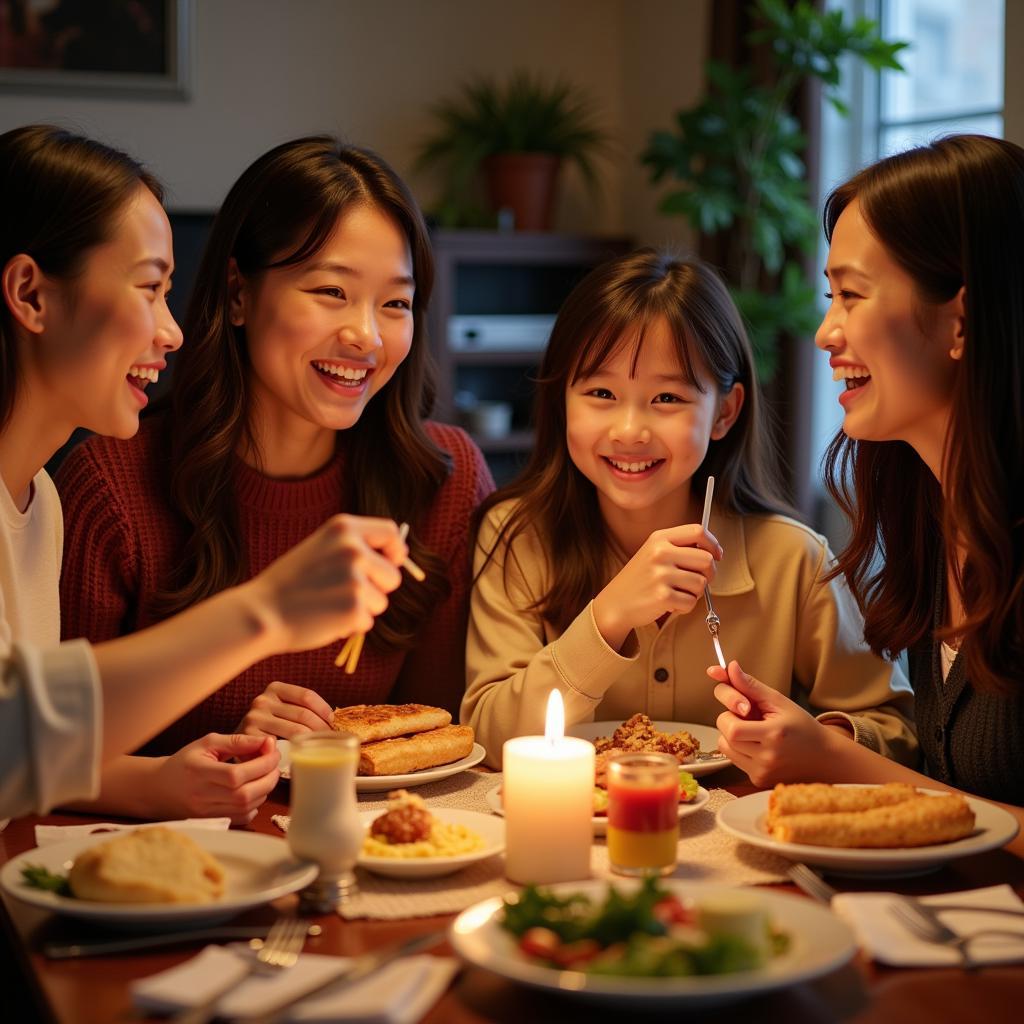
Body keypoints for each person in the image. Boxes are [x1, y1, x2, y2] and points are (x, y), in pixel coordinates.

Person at [55, 136, 493, 819]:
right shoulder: (113, 484)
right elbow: (37, 752)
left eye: (395, 304)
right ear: (237, 293)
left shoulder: (443, 480)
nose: (366, 337)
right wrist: (203, 756)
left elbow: (446, 738)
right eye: (330, 292)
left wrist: (340, 744)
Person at [462, 249, 916, 772]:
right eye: (601, 392)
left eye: (667, 399)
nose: (629, 431)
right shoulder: (519, 536)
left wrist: (814, 740)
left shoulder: (793, 559)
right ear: (562, 400)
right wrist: (608, 617)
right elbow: (488, 738)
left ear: (724, 411)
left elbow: (897, 732)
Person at [712, 135, 1024, 830]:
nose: (825, 333)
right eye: (830, 296)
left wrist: (832, 758)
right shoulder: (929, 520)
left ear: (961, 320)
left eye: (851, 294)